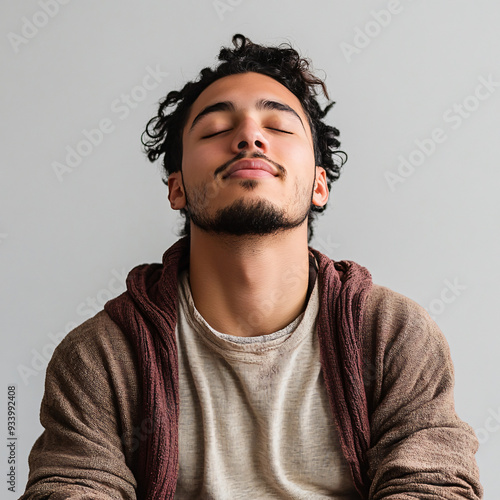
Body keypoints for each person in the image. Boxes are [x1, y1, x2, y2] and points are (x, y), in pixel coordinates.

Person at [21, 34, 482, 499]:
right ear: (176, 187)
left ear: (319, 184)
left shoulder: (391, 334)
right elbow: (70, 488)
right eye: (216, 129)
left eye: (278, 127)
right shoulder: (101, 355)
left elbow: (432, 486)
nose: (249, 136)